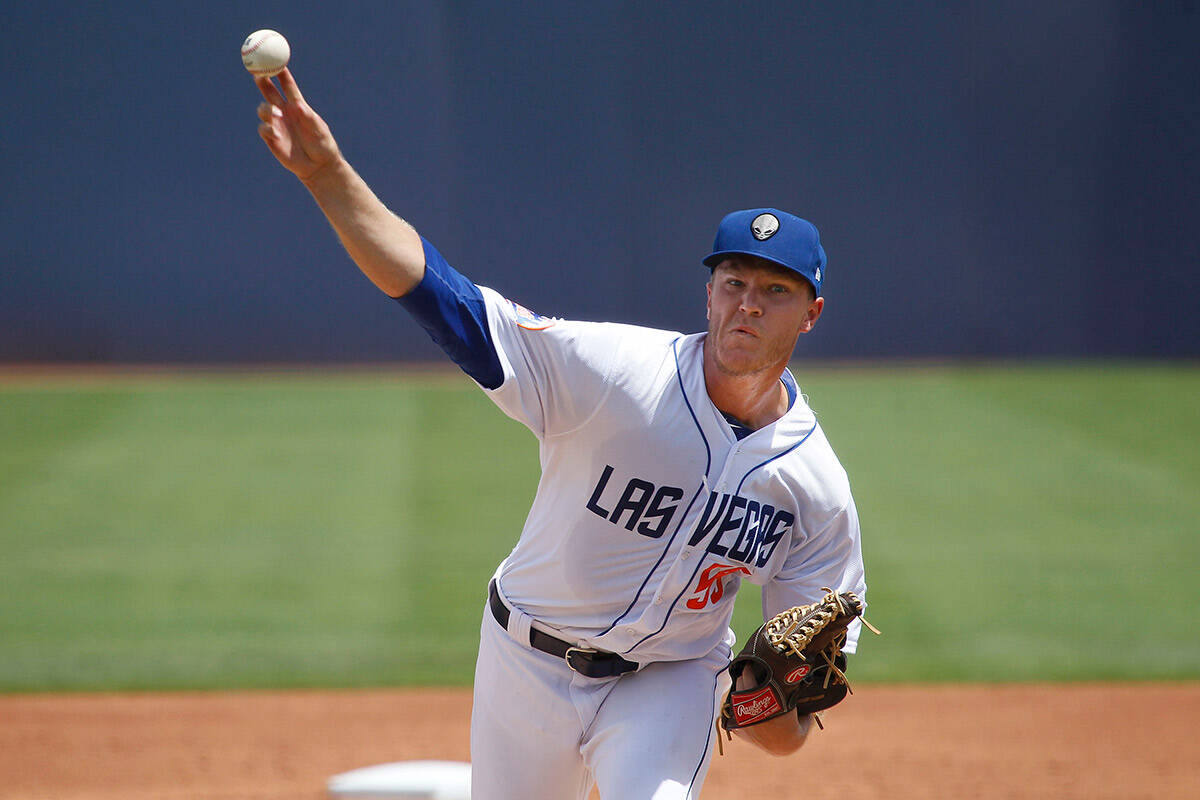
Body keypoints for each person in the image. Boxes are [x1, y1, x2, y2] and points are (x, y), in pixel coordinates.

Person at [252, 68, 867, 799]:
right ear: (708, 290)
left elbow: (785, 734)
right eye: (733, 282)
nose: (747, 306)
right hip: (525, 661)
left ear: (812, 313)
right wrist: (330, 180)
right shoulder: (612, 371)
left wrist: (764, 702)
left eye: (775, 291)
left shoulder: (816, 490)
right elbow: (446, 301)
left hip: (669, 682)